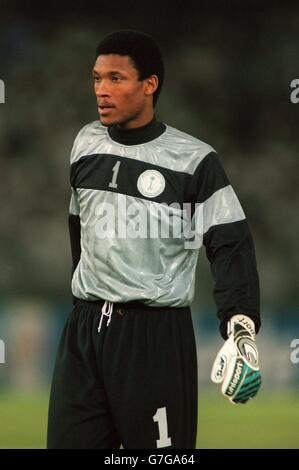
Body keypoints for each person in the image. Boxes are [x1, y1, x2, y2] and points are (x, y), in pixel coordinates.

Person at [47, 30, 261, 450]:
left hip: (156, 339)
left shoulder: (195, 160)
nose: (102, 91)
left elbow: (231, 242)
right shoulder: (85, 145)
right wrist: (84, 304)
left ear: (150, 84)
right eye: (96, 78)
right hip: (85, 335)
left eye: (115, 78)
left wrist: (240, 324)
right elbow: (79, 231)